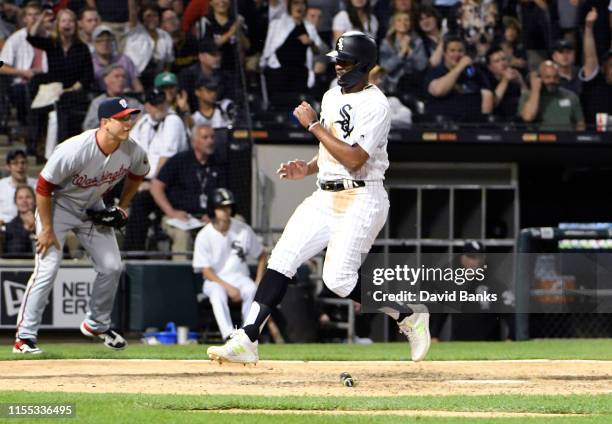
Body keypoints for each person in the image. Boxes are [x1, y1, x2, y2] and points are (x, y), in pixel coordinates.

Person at [207, 31, 431, 364]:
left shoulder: (376, 104)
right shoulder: (331, 96)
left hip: (362, 196)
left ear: (364, 65)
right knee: (282, 257)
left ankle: (407, 314)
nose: (338, 66)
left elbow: (355, 158)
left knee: (338, 280)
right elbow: (331, 146)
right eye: (336, 61)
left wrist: (312, 126)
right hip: (324, 194)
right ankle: (247, 338)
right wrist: (309, 167)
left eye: (345, 61)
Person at [13, 97, 150, 354]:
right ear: (105, 122)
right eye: (121, 119)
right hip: (58, 207)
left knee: (112, 266)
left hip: (92, 208)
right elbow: (43, 188)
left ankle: (97, 324)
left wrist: (123, 204)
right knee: (48, 268)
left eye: (129, 117)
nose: (127, 123)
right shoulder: (74, 149)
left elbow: (138, 174)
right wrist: (46, 230)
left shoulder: (132, 150)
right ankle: (24, 337)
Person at [193, 188, 267, 341]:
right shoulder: (204, 235)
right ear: (212, 209)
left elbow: (261, 255)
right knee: (217, 292)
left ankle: (248, 334)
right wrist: (228, 287)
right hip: (215, 280)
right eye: (221, 207)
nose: (226, 211)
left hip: (239, 277)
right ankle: (228, 335)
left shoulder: (243, 230)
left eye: (228, 207)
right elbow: (205, 271)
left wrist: (259, 280)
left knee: (251, 288)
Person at [123, 88, 188, 252]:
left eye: (162, 103)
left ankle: (133, 254)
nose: (160, 108)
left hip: (166, 182)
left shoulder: (173, 121)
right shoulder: (144, 121)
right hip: (141, 179)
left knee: (140, 203)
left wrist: (149, 183)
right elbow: (128, 150)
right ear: (148, 106)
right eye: (155, 105)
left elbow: (165, 161)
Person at [150, 124, 228, 259]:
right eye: (205, 137)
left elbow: (225, 195)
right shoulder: (179, 161)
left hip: (208, 217)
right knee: (182, 235)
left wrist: (213, 214)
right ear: (194, 142)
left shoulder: (219, 164)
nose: (210, 141)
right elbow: (156, 186)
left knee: (236, 223)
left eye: (212, 137)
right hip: (179, 216)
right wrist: (171, 212)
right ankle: (180, 276)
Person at [27, 7, 94, 142]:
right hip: (53, 88)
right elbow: (31, 37)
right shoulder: (52, 44)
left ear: (76, 25)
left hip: (73, 90)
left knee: (65, 103)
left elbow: (88, 74)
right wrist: (41, 18)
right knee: (36, 104)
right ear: (58, 25)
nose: (67, 24)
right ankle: (35, 143)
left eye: (70, 21)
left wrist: (72, 88)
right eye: (63, 21)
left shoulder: (82, 47)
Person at [260, 0, 325, 107]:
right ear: (289, 6)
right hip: (279, 70)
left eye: (302, 4)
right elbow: (269, 49)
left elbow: (318, 51)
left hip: (300, 72)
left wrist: (310, 43)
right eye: (295, 3)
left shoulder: (309, 27)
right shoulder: (277, 24)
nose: (299, 7)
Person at [0, 2, 48, 132]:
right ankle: (27, 128)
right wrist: (23, 72)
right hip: (22, 83)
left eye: (36, 15)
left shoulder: (50, 38)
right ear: (24, 18)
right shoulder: (16, 39)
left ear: (42, 17)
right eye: (30, 15)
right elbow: (2, 67)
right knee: (23, 92)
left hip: (47, 82)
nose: (33, 18)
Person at [425, 35, 494, 123]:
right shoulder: (436, 72)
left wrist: (485, 123)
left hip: (472, 126)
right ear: (445, 54)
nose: (456, 54)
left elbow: (487, 95)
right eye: (452, 51)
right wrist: (460, 67)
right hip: (443, 126)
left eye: (460, 51)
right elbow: (438, 91)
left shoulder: (475, 73)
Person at [519, 61, 585, 131]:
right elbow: (528, 117)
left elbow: (580, 123)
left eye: (555, 77)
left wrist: (576, 139)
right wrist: (535, 90)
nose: (552, 80)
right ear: (539, 78)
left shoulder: (571, 96)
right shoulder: (527, 95)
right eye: (547, 77)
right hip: (539, 140)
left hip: (566, 139)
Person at [124, 1, 174, 89]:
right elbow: (132, 12)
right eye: (148, 16)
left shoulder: (165, 36)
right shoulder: (136, 31)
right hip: (136, 77)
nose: (152, 19)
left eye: (155, 16)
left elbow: (168, 62)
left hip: (157, 76)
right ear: (142, 18)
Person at [379, 10, 428, 96]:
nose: (403, 23)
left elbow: (421, 66)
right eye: (399, 20)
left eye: (406, 20)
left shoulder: (417, 42)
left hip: (414, 84)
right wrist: (401, 54)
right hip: (392, 86)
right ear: (394, 24)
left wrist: (410, 53)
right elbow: (385, 68)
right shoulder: (386, 43)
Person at [83, 64, 143, 130]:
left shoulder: (133, 103)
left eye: (123, 77)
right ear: (106, 80)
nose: (121, 80)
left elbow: (145, 116)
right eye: (116, 76)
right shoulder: (97, 103)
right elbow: (87, 127)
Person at [578, 8, 612, 127]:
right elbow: (590, 56)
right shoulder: (595, 81)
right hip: (593, 142)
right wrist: (588, 28)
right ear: (603, 68)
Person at [91, 25, 143, 93]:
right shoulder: (90, 64)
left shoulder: (124, 60)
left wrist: (138, 99)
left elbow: (137, 86)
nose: (105, 43)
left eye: (108, 40)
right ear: (93, 43)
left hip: (124, 99)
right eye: (100, 41)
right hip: (102, 99)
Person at [482, 45, 525, 122]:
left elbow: (526, 99)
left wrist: (521, 82)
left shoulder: (515, 76)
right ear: (490, 67)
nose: (502, 63)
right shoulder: (486, 80)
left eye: (503, 59)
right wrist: (505, 80)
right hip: (497, 121)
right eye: (497, 61)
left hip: (517, 120)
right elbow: (493, 104)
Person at [0, 150, 37, 226]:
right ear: (8, 167)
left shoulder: (36, 185)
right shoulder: (1, 186)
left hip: (31, 228)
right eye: (15, 163)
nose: (20, 166)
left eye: (23, 163)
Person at [2, 185, 36, 258]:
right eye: (20, 198)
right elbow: (14, 252)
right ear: (15, 202)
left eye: (28, 197)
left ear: (34, 200)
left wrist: (35, 229)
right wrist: (27, 230)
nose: (24, 201)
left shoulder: (45, 224)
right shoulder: (9, 227)